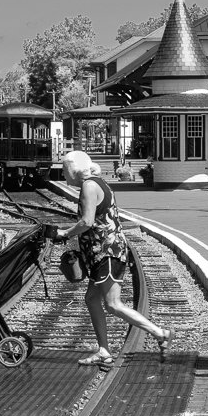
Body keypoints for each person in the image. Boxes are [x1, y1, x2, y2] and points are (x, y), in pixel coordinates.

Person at [53, 149, 167, 365]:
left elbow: (86, 221)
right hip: (102, 252)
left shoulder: (89, 186)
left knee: (113, 304)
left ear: (72, 169)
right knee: (92, 299)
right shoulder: (95, 182)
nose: (63, 175)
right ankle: (104, 350)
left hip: (107, 252)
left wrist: (65, 234)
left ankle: (159, 333)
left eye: (64, 170)